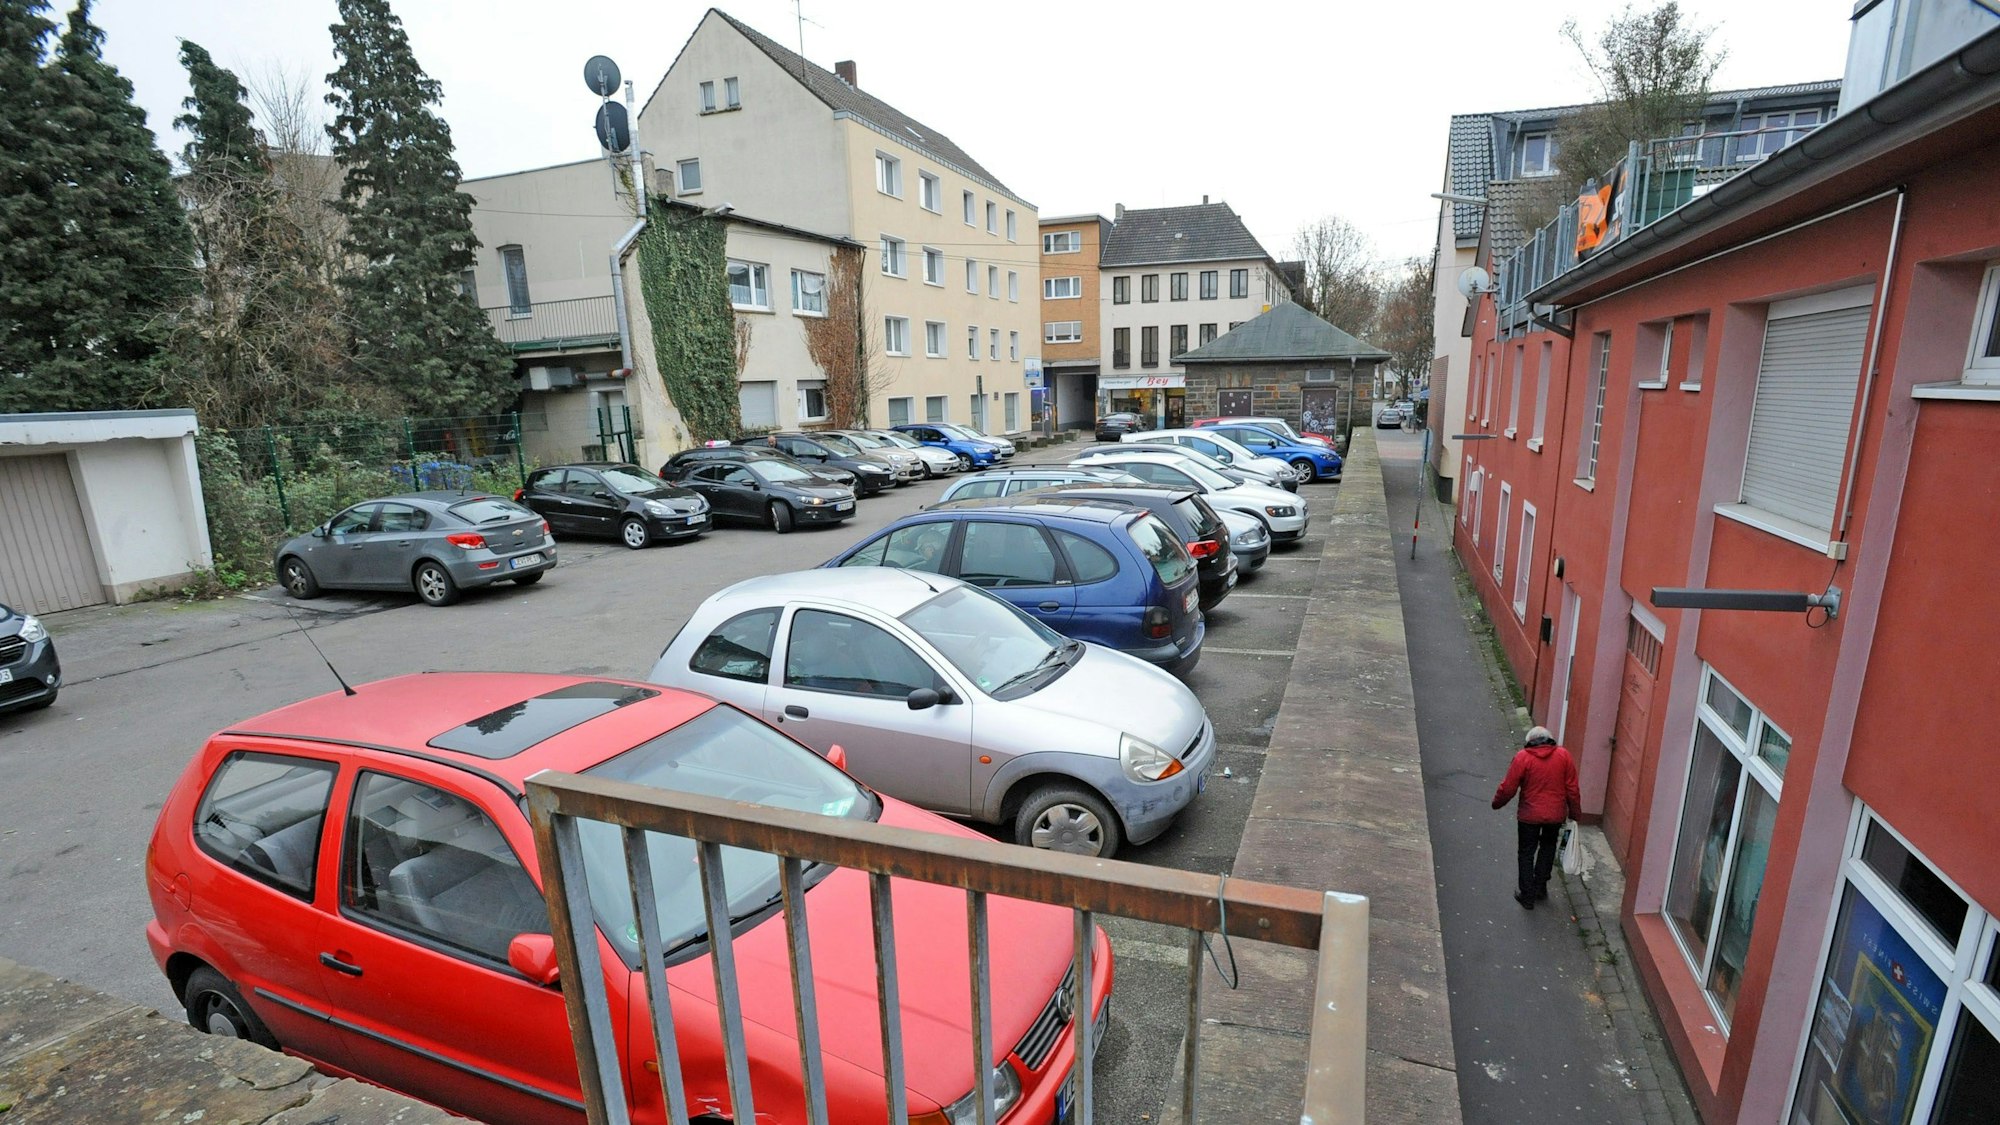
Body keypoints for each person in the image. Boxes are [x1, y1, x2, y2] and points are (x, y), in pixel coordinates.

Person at [1491, 726, 1582, 909]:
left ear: (1530, 741)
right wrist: (1574, 813)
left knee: (1526, 853)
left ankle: (1527, 896)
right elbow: (1572, 789)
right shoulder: (1564, 756)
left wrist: (1497, 803)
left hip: (1529, 815)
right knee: (1547, 849)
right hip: (1555, 815)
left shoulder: (1523, 757)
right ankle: (1540, 887)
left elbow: (1509, 787)